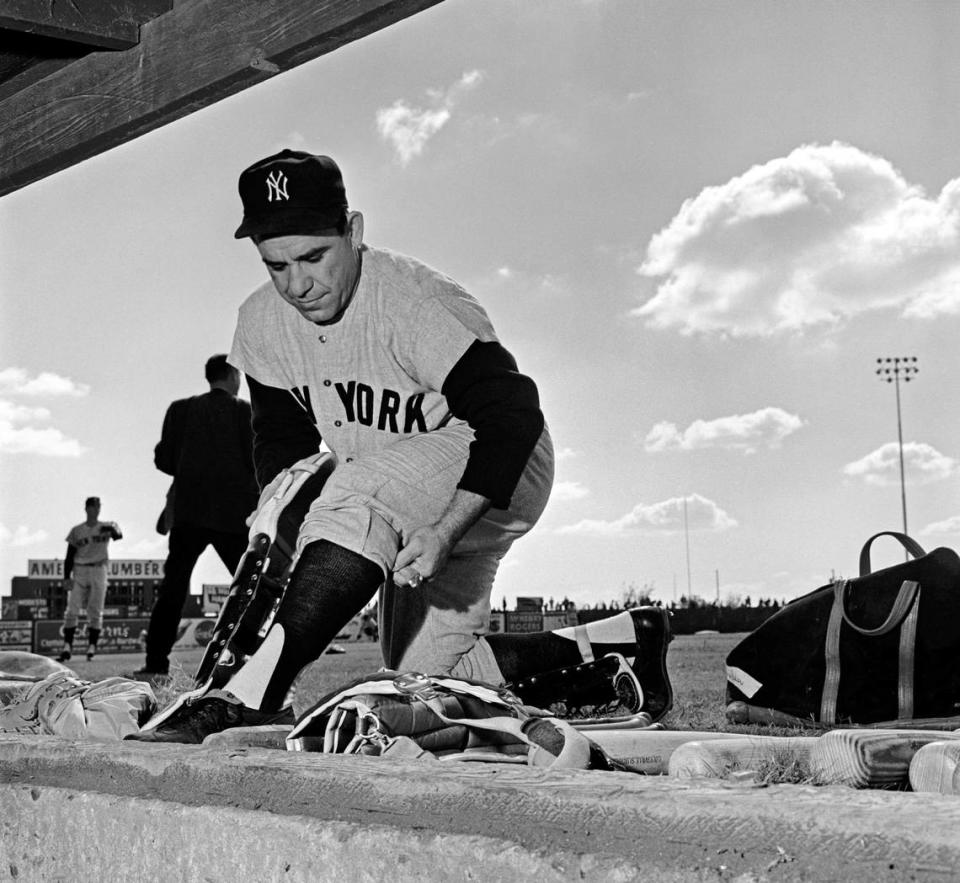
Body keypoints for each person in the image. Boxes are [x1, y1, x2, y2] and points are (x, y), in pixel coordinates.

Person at [132, 150, 671, 743]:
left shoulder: (414, 301)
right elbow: (282, 443)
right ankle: (621, 645)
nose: (298, 283)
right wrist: (297, 539)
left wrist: (445, 529)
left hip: (497, 465)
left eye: (314, 256)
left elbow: (513, 414)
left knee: (353, 490)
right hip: (397, 494)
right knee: (421, 684)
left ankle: (257, 695)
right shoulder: (262, 322)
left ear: (354, 231)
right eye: (276, 265)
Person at [133, 355, 259, 678]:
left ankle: (156, 662)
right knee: (250, 587)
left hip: (189, 511)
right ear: (233, 376)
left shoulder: (180, 410)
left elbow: (163, 460)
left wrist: (193, 464)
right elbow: (258, 462)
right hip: (235, 514)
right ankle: (257, 655)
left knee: (173, 589)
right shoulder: (245, 412)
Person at [60, 497, 122, 662]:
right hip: (79, 569)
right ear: (87, 508)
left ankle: (91, 647)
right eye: (94, 506)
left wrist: (112, 527)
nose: (97, 509)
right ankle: (67, 647)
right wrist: (66, 577)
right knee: (72, 609)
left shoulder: (106, 526)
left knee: (95, 611)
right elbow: (69, 555)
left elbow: (118, 536)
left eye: (98, 506)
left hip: (99, 569)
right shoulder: (77, 530)